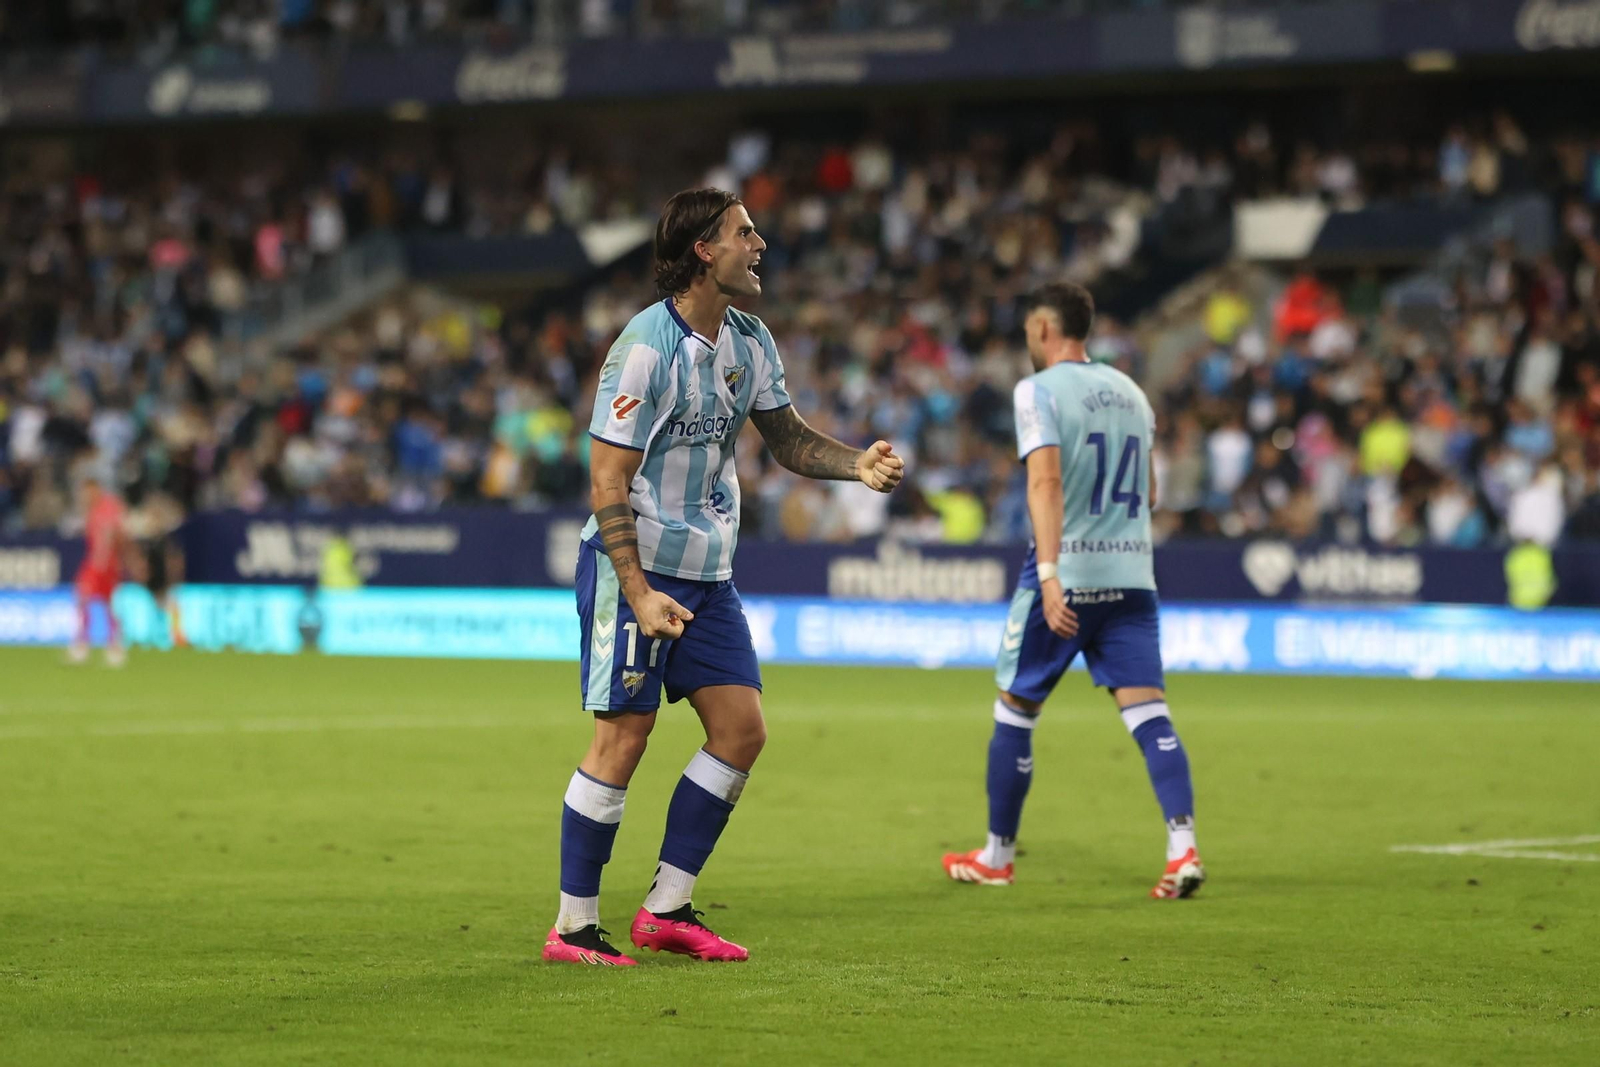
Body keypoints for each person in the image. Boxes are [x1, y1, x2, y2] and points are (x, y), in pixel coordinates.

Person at [544, 188, 905, 966]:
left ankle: (666, 907)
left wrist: (856, 464)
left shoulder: (749, 338)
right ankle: (572, 926)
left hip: (709, 573)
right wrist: (637, 592)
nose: (761, 242)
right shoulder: (646, 346)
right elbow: (607, 479)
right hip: (633, 568)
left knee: (742, 731)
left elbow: (785, 438)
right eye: (745, 232)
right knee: (623, 736)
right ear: (704, 250)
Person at [942, 282, 1204, 900]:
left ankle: (997, 856)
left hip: (1068, 577)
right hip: (1133, 577)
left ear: (1043, 328)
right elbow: (1152, 493)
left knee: (1015, 706)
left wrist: (1054, 573)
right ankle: (1182, 848)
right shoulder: (1134, 393)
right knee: (1148, 713)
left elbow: (1046, 482)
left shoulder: (1037, 391)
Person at [69, 477, 128, 667]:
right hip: (95, 564)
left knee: (107, 604)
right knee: (84, 600)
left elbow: (114, 534)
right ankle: (85, 644)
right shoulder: (92, 510)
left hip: (103, 565)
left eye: (88, 492)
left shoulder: (108, 507)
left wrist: (106, 559)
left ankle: (111, 645)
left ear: (96, 490)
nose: (85, 496)